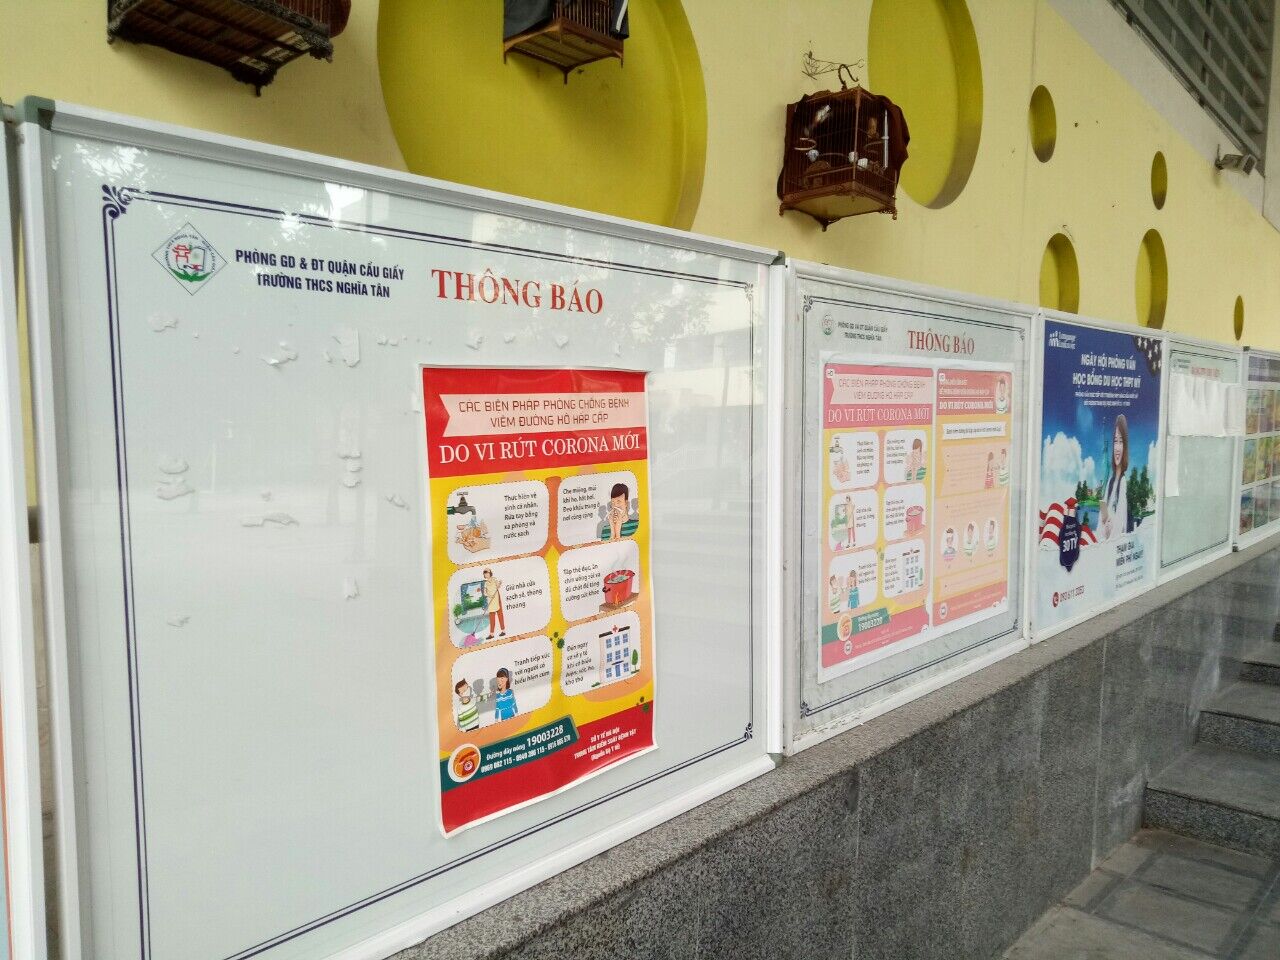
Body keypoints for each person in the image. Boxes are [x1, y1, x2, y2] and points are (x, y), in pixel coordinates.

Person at [1100, 414, 1130, 541]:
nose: (1117, 448)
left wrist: (1110, 530)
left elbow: (1120, 525)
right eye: (1115, 441)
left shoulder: (1123, 482)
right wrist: (1105, 527)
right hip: (1105, 543)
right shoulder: (1110, 482)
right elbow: (1101, 520)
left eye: (1121, 442)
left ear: (1125, 447)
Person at [483, 568, 506, 639]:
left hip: (497, 599)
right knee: (492, 617)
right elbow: (484, 593)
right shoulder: (486, 583)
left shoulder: (494, 579)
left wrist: (499, 583)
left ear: (490, 573)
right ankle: (491, 634)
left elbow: (498, 585)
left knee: (500, 615)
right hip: (491, 601)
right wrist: (490, 596)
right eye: (485, 573)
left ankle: (503, 631)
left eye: (487, 573)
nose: (486, 574)